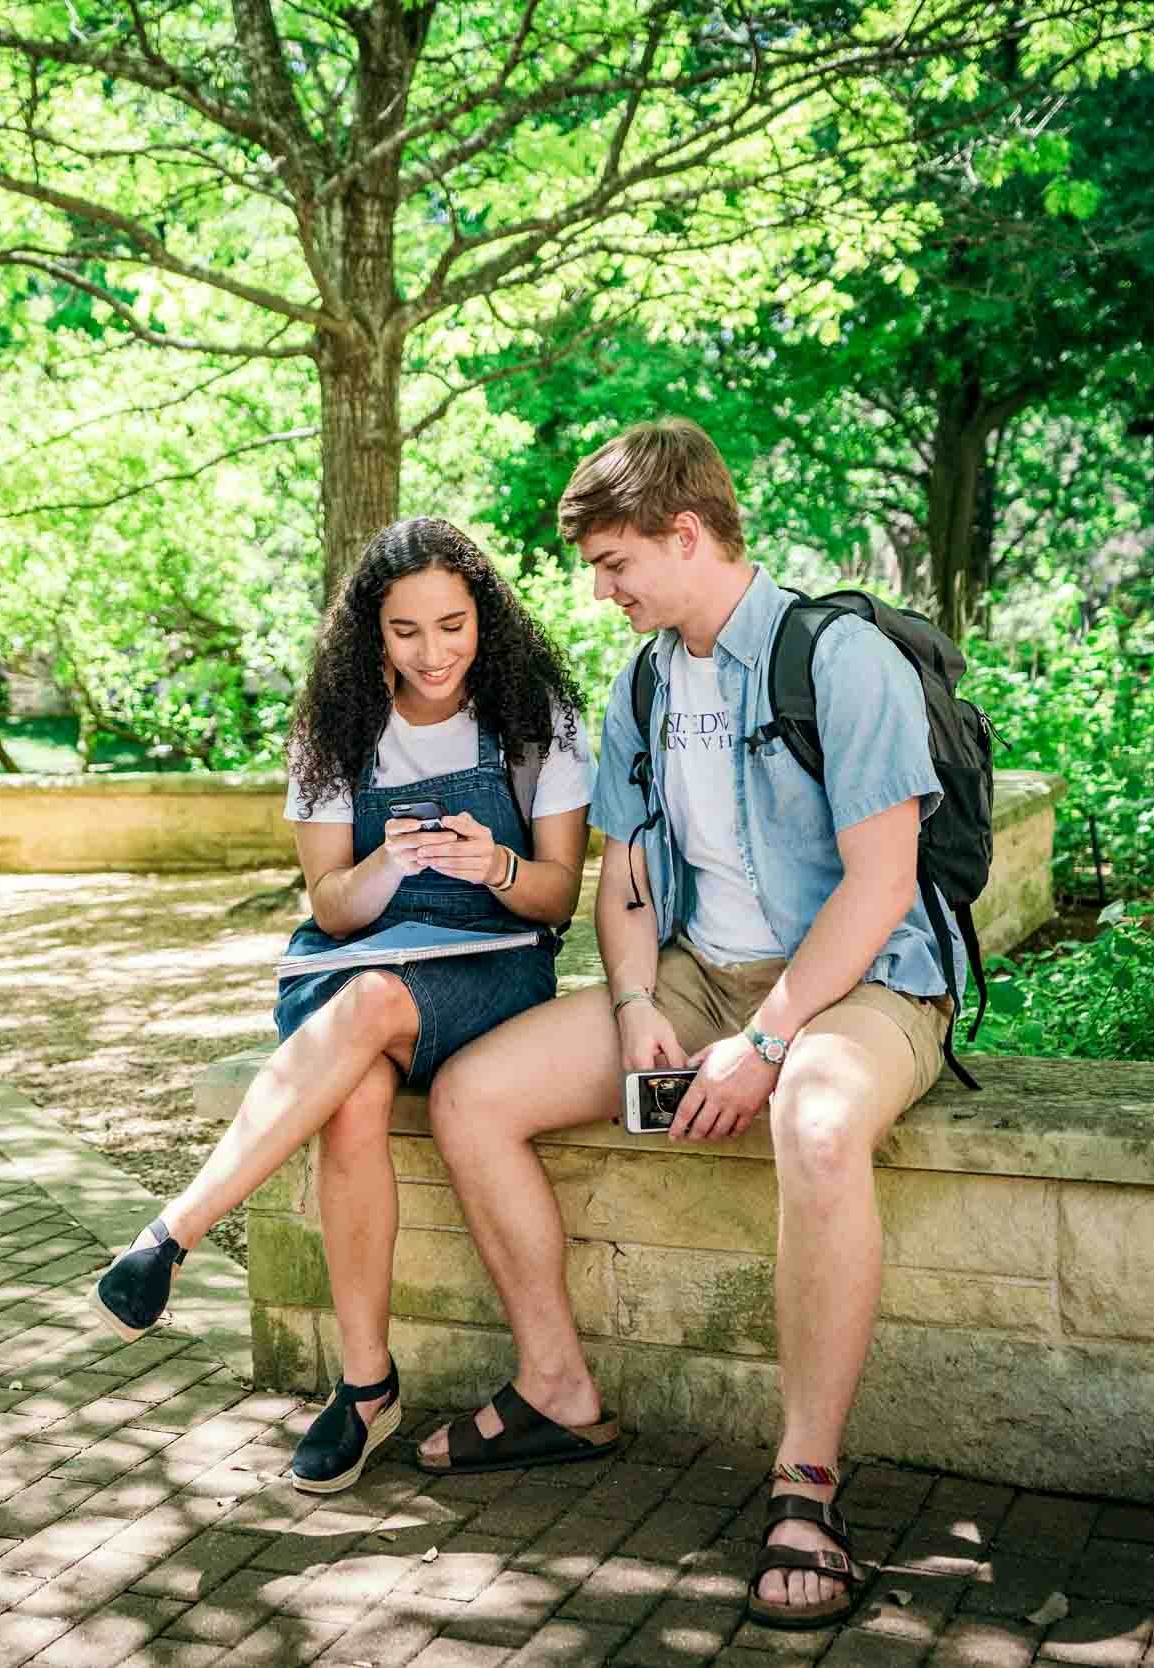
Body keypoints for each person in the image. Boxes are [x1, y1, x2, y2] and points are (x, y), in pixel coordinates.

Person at [419, 419, 961, 1631]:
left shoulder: (839, 661)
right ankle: (557, 1389)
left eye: (614, 563)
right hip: (691, 973)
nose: (599, 591)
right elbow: (626, 875)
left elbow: (879, 891)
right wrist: (628, 1003)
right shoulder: (646, 679)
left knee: (816, 1130)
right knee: (470, 1095)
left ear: (684, 532)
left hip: (862, 982)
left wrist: (765, 1042)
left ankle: (804, 1486)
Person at [90, 516, 593, 1494]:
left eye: (452, 625)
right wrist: (382, 865)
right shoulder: (332, 728)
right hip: (358, 957)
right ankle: (364, 1387)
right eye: (407, 631)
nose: (434, 652)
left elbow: (557, 897)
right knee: (354, 1093)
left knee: (366, 1008)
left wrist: (493, 862)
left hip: (491, 965)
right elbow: (328, 904)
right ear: (372, 634)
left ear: (483, 617)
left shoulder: (535, 713)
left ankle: (173, 1234)